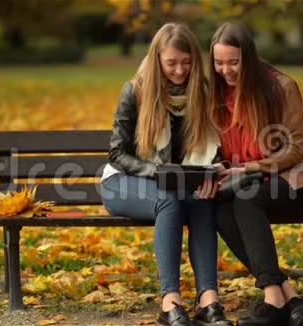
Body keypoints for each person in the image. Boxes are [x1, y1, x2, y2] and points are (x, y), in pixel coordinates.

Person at [100, 23, 231, 326]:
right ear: (157, 59)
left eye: (186, 63)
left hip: (178, 184)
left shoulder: (203, 92)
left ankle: (208, 301)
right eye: (171, 63)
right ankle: (170, 301)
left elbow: (215, 147)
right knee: (169, 202)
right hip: (123, 181)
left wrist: (211, 175)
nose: (179, 71)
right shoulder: (135, 90)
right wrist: (157, 172)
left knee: (201, 200)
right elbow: (116, 154)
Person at [208, 22, 303, 326]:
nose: (225, 70)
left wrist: (251, 167)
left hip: (290, 184)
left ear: (250, 58)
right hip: (245, 183)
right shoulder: (216, 92)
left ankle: (272, 301)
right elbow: (219, 148)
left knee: (245, 198)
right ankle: (289, 297)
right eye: (218, 63)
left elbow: (295, 149)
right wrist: (219, 165)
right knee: (220, 213)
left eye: (233, 62)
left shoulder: (281, 87)